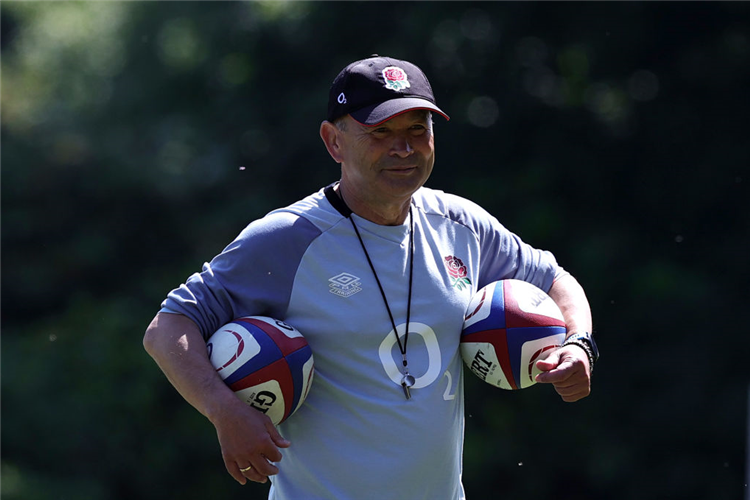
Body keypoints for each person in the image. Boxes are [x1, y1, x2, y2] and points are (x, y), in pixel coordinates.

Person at [143, 55, 597, 500]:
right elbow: (168, 328)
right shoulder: (285, 239)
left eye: (418, 129)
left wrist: (579, 344)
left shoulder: (462, 225)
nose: (404, 148)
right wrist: (223, 411)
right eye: (381, 132)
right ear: (333, 141)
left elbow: (555, 280)